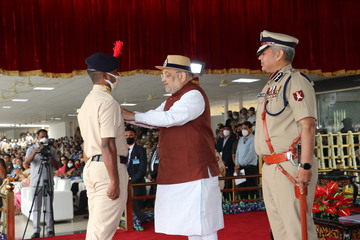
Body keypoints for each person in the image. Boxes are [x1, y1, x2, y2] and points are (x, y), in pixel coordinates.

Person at [122, 55, 224, 240]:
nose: (163, 79)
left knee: (203, 224)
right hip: (182, 171)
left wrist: (133, 115)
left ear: (182, 76)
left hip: (196, 170)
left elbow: (170, 119)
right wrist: (131, 116)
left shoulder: (193, 95)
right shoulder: (173, 99)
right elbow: (154, 118)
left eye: (167, 75)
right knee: (192, 225)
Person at [255, 30, 318, 240]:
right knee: (279, 229)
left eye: (264, 52)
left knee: (297, 229)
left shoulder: (296, 81)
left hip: (290, 165)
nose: (260, 57)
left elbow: (308, 126)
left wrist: (305, 166)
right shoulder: (271, 85)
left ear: (279, 54)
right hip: (271, 166)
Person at [77, 51, 129, 240]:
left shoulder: (87, 102)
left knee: (97, 226)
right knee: (101, 232)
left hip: (92, 166)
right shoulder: (107, 102)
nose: (118, 77)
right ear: (107, 76)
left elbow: (85, 142)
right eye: (116, 73)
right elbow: (107, 144)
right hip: (108, 168)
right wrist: (114, 180)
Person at [23, 129, 59, 238]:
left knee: (49, 207)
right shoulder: (31, 149)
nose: (44, 138)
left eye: (46, 136)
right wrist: (35, 152)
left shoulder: (52, 149)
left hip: (48, 181)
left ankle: (50, 229)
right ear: (37, 137)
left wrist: (50, 155)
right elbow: (25, 163)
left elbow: (57, 166)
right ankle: (36, 230)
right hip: (35, 181)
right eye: (42, 136)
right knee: (36, 208)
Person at [125, 127, 147, 223]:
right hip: (123, 184)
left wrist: (130, 180)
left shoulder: (141, 150)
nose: (128, 137)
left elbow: (142, 170)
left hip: (136, 185)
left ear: (135, 137)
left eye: (130, 135)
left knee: (138, 212)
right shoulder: (120, 150)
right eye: (126, 136)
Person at [234, 121, 258, 199]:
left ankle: (254, 207)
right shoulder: (240, 140)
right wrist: (237, 164)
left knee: (251, 189)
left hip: (250, 168)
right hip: (240, 168)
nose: (243, 130)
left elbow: (251, 154)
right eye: (242, 129)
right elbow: (237, 153)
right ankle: (242, 206)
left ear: (250, 129)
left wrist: (241, 164)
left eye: (245, 128)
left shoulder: (254, 139)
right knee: (241, 189)